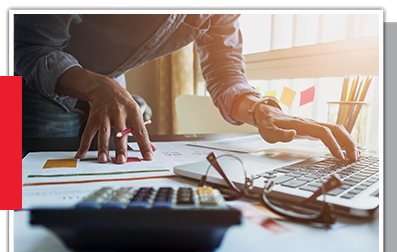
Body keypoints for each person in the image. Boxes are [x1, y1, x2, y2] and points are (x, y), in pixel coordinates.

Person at [15, 14, 359, 164]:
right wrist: (93, 84)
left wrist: (259, 110)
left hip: (110, 81)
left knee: (101, 178)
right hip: (24, 82)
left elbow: (226, 73)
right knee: (19, 198)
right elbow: (25, 47)